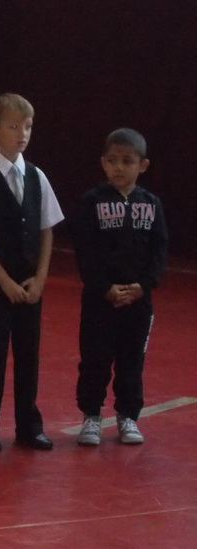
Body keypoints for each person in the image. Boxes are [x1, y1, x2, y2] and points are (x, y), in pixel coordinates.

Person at [0, 93, 64, 452]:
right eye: (14, 126)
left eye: (27, 127)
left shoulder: (36, 176)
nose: (22, 134)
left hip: (30, 286)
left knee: (28, 357)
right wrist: (3, 280)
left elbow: (47, 229)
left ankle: (29, 426)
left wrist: (41, 277)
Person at [72, 128, 168, 446]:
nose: (119, 167)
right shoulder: (92, 201)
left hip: (138, 303)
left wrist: (144, 285)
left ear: (142, 165)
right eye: (112, 160)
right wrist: (104, 287)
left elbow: (159, 250)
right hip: (100, 300)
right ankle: (91, 416)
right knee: (95, 359)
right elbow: (85, 251)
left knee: (131, 361)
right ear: (103, 162)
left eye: (127, 161)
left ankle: (128, 416)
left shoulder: (151, 204)